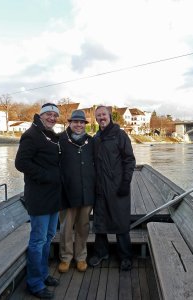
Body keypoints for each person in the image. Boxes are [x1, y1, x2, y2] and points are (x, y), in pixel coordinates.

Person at [15, 103, 62, 299]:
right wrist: (46, 176)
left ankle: (42, 274)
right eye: (49, 114)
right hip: (39, 196)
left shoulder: (50, 135)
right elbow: (21, 163)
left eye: (55, 115)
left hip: (53, 197)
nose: (52, 118)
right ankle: (34, 283)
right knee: (38, 240)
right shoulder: (31, 135)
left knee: (49, 236)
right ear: (41, 115)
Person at [88, 105, 136, 271]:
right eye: (98, 115)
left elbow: (129, 160)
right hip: (100, 187)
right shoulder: (96, 137)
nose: (101, 117)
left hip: (117, 187)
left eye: (104, 114)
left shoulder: (120, 135)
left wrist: (125, 182)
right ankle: (101, 252)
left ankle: (125, 256)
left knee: (120, 221)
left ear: (109, 116)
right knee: (100, 221)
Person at [58, 110, 95, 273]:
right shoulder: (60, 140)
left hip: (87, 191)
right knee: (66, 227)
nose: (79, 125)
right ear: (70, 123)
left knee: (83, 226)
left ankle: (81, 257)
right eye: (76, 122)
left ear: (85, 125)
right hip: (66, 191)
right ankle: (66, 258)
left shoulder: (91, 141)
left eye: (82, 122)